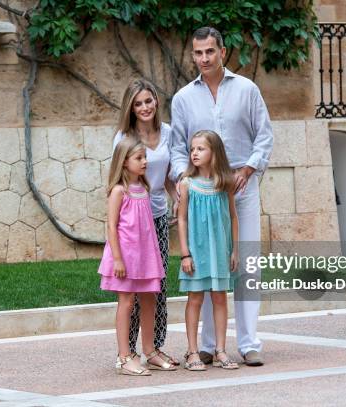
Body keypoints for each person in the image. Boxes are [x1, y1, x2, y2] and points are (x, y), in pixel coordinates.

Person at [170, 27, 274, 366]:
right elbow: (176, 149)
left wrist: (247, 170)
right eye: (198, 53)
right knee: (205, 264)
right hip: (201, 195)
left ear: (223, 52)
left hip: (241, 189)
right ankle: (208, 345)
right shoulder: (184, 98)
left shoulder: (247, 90)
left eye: (209, 52)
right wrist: (182, 182)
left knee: (246, 263)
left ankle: (249, 343)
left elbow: (264, 136)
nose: (203, 59)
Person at [112, 79, 179, 367]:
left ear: (156, 101)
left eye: (148, 101)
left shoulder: (168, 132)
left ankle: (153, 348)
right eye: (138, 103)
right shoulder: (123, 137)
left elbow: (166, 173)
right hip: (132, 224)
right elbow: (119, 178)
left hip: (158, 217)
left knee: (156, 286)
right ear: (131, 107)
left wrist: (176, 195)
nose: (144, 107)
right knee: (131, 290)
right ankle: (127, 353)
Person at [98, 137, 176, 375]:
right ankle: (124, 357)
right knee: (127, 302)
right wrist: (118, 259)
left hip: (145, 256)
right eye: (139, 158)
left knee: (149, 299)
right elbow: (111, 226)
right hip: (126, 257)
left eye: (145, 157)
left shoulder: (143, 189)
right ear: (124, 162)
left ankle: (149, 350)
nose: (145, 162)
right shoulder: (119, 191)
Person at [178, 130, 239, 371]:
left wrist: (235, 250)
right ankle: (193, 352)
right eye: (192, 149)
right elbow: (181, 220)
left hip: (220, 251)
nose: (194, 153)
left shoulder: (226, 183)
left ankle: (220, 350)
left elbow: (233, 217)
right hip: (196, 251)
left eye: (200, 149)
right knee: (194, 298)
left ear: (214, 152)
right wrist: (185, 253)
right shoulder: (187, 184)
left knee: (220, 298)